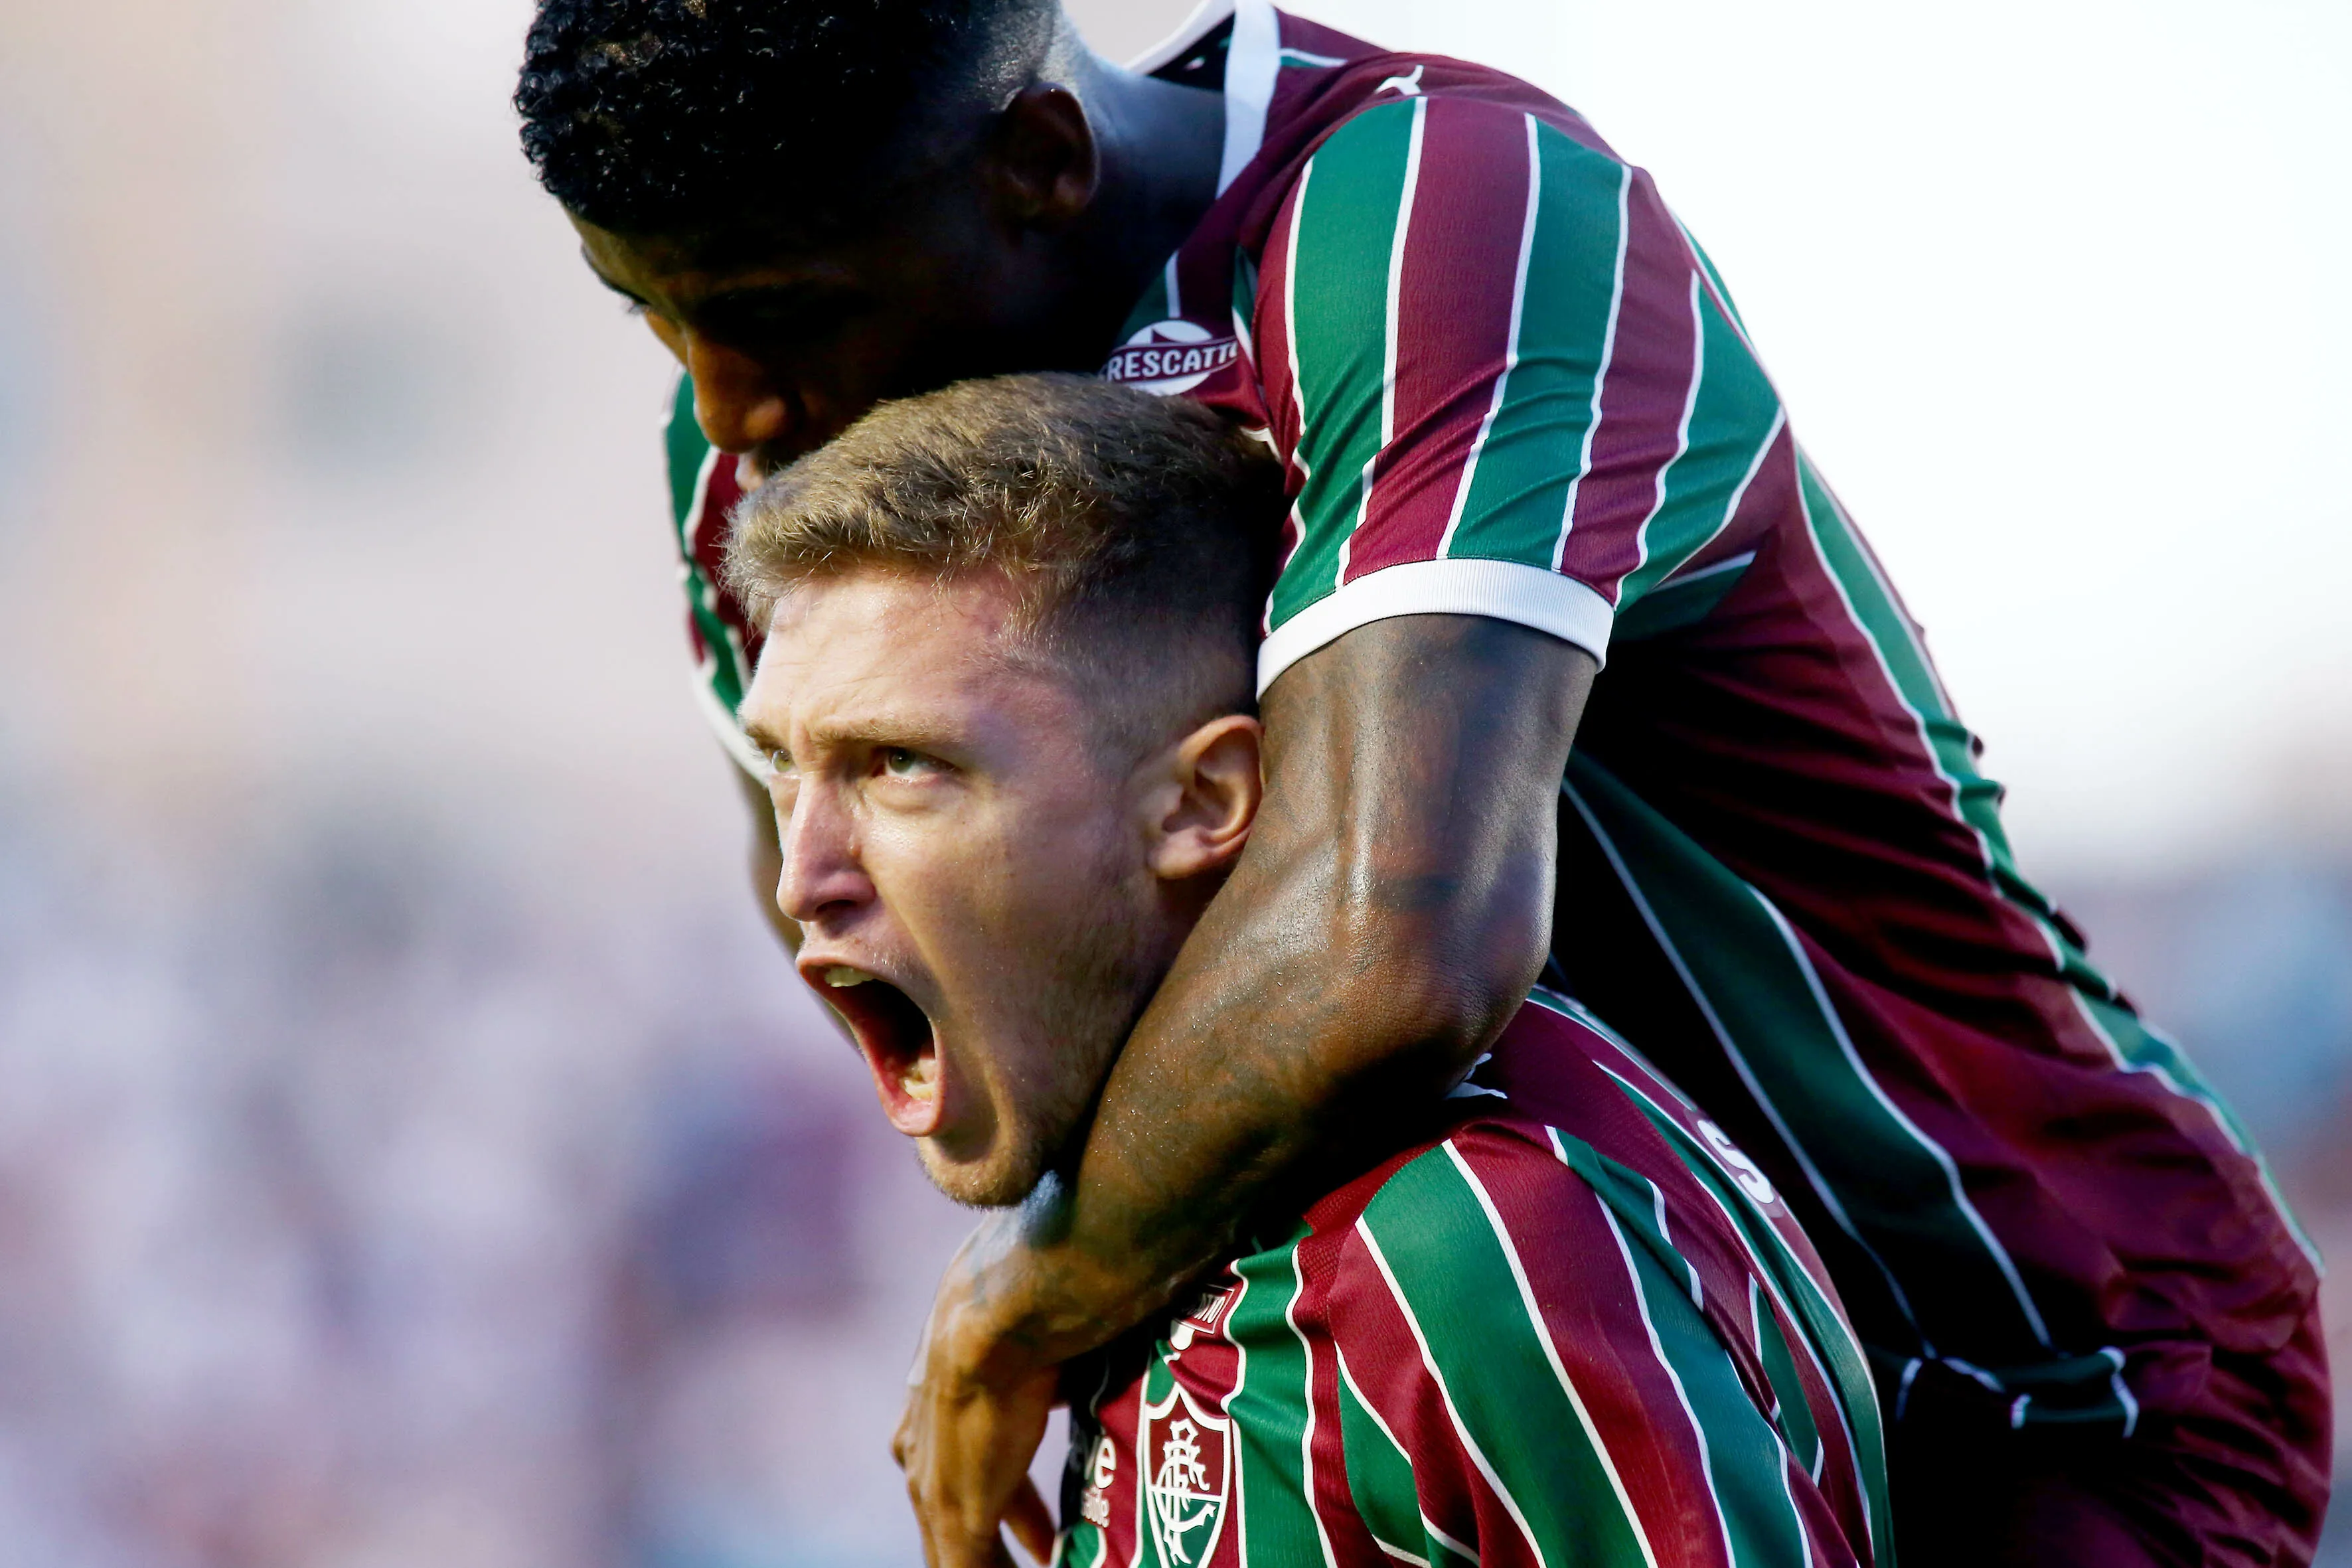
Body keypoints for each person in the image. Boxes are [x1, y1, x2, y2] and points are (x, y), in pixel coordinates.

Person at [512, 2, 2328, 1563]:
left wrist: (1026, 1298)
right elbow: (904, 950)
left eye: (778, 309)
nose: (731, 409)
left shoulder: (1425, 215)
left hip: (2013, 1365)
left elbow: (1396, 932)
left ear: (1040, 162)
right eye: (648, 317)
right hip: (1346, 1291)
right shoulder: (778, 430)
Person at [726, 370, 1891, 1568]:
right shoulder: (1159, 1228)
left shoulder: (1478, 1244)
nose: (802, 874)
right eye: (783, 766)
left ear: (1201, 802)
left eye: (900, 764)